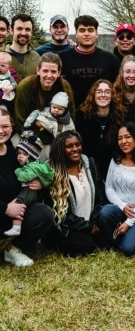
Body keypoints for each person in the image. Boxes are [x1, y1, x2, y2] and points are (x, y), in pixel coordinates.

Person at [0, 106, 54, 267]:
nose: (1, 131)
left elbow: (27, 178)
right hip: (5, 211)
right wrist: (5, 208)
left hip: (15, 215)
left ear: (11, 128)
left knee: (44, 213)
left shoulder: (15, 155)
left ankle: (13, 249)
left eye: (5, 126)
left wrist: (37, 184)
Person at [43, 130, 107, 256]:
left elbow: (100, 198)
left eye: (77, 144)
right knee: (87, 246)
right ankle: (53, 242)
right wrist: (87, 227)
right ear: (61, 149)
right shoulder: (53, 173)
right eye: (69, 146)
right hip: (67, 227)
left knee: (106, 242)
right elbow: (59, 214)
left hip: (91, 222)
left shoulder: (90, 164)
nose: (75, 149)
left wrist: (93, 223)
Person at [97, 122, 135, 256]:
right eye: (120, 138)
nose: (123, 141)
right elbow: (109, 188)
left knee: (130, 249)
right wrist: (123, 206)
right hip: (120, 209)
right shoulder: (115, 160)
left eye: (128, 137)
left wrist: (129, 223)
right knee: (105, 213)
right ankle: (124, 237)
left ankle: (133, 236)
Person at [59, 15, 119, 107]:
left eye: (90, 30)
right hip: (72, 115)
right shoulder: (62, 59)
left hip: (102, 114)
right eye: (82, 30)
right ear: (76, 34)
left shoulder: (110, 59)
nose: (86, 34)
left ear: (96, 34)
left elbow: (117, 90)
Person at [4, 130, 54, 236]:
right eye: (19, 153)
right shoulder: (35, 164)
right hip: (28, 192)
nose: (20, 156)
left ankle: (16, 227)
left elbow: (25, 176)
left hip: (28, 191)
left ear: (31, 156)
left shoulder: (32, 167)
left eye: (24, 154)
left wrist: (17, 171)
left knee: (19, 204)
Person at [75, 79, 126, 180]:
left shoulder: (121, 116)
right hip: (87, 166)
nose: (103, 95)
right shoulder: (81, 116)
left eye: (107, 92)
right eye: (99, 91)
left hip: (114, 166)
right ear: (93, 95)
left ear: (112, 95)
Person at [14, 52, 75, 135]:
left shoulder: (64, 87)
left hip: (57, 132)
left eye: (53, 71)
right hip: (30, 132)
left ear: (59, 73)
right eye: (45, 71)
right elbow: (20, 120)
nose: (49, 75)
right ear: (38, 71)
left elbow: (70, 115)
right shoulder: (25, 86)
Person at [23, 91, 75, 161]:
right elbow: (34, 116)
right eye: (54, 107)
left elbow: (71, 134)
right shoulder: (44, 112)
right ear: (50, 105)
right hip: (40, 141)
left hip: (56, 145)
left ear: (65, 110)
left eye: (60, 109)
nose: (56, 110)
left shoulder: (67, 121)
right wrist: (29, 124)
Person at [2, 13, 40, 79]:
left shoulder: (37, 58)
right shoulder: (1, 54)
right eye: (19, 29)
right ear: (11, 30)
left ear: (31, 32)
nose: (23, 33)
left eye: (27, 29)